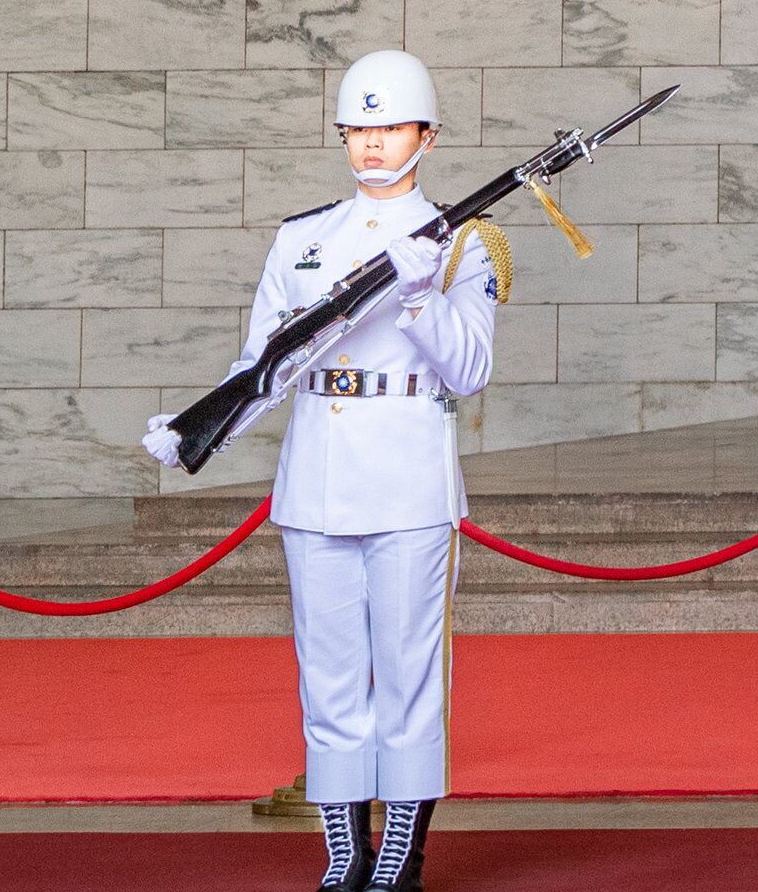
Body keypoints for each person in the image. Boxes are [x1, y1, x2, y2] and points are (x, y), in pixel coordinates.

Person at [148, 50, 501, 892]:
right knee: (330, 670)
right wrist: (205, 430)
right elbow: (263, 365)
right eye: (359, 128)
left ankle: (402, 853)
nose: (372, 144)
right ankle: (344, 851)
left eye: (390, 127)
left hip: (410, 472)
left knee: (410, 673)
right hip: (318, 473)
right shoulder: (303, 239)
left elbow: (470, 370)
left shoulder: (464, 243)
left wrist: (418, 300)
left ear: (428, 135)